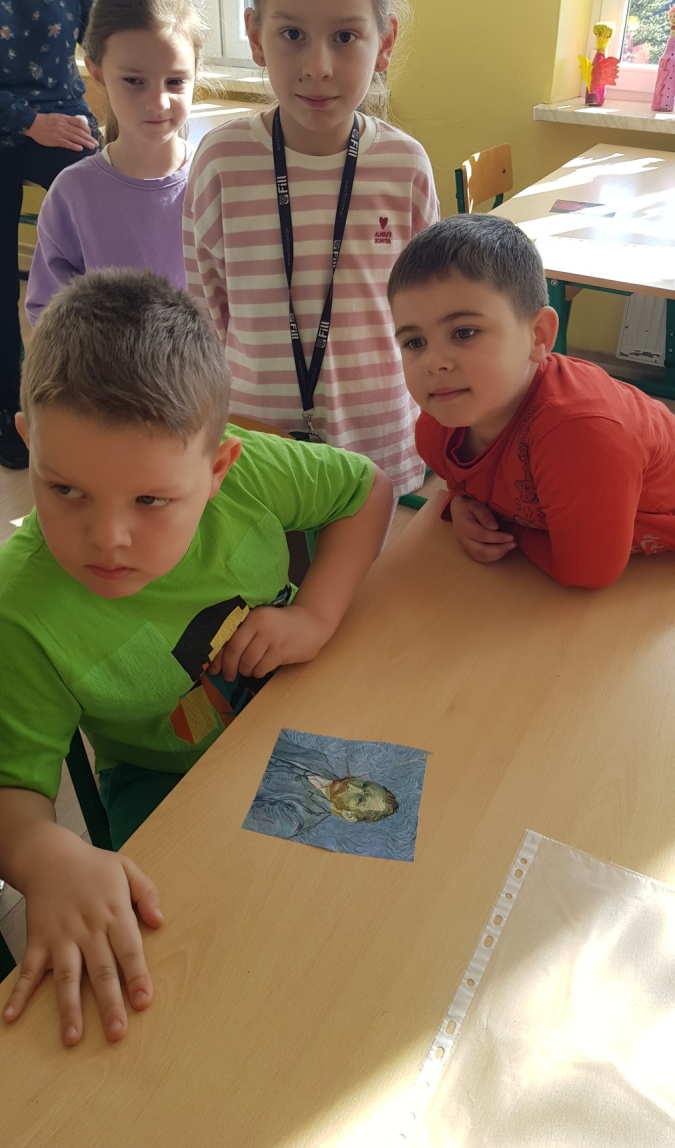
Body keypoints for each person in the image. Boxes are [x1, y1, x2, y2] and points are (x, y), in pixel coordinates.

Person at [0, 267, 393, 1047]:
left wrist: (314, 615)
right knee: (221, 984)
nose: (106, 538)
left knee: (379, 917)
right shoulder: (21, 611)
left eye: (150, 500)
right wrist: (45, 856)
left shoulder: (248, 473)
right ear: (28, 443)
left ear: (216, 472)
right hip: (167, 786)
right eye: (64, 489)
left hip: (302, 711)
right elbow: (16, 792)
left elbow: (365, 490)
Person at [183, 0, 439, 499]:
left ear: (384, 41)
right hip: (255, 441)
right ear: (255, 36)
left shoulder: (406, 166)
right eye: (292, 34)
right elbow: (205, 314)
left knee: (373, 556)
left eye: (345, 36)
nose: (318, 66)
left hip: (378, 440)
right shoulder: (222, 162)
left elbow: (428, 316)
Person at [388, 214, 675, 589]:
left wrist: (508, 529)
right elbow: (472, 486)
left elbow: (588, 572)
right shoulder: (436, 431)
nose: (433, 362)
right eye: (414, 342)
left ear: (538, 336)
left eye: (464, 332)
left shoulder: (580, 436)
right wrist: (458, 506)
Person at [25, 0, 203, 327]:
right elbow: (49, 316)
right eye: (134, 81)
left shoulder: (214, 178)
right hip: (106, 366)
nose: (158, 103)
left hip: (206, 364)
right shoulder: (72, 194)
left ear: (196, 70)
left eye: (175, 81)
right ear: (97, 73)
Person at [0, 0, 99, 470]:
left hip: (63, 117)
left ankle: (98, 388)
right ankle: (9, 411)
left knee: (102, 246)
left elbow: (104, 34)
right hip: (11, 123)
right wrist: (28, 122)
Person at [244, 739, 398, 840]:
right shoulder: (319, 760)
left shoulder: (293, 820)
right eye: (364, 785)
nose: (352, 786)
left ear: (349, 815)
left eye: (359, 799)